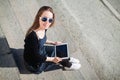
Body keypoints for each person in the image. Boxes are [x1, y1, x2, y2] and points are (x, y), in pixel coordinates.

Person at [23, 6, 81, 74]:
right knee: (55, 57)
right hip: (34, 64)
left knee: (56, 50)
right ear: (39, 18)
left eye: (50, 20)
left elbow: (42, 39)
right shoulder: (32, 36)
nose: (47, 22)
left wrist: (53, 43)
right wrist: (53, 59)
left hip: (40, 50)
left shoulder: (43, 27)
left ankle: (67, 59)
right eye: (44, 19)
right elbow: (37, 57)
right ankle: (67, 65)